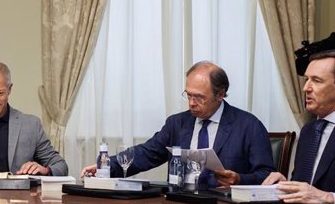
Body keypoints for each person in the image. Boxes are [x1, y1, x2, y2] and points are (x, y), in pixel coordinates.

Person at [81, 61, 274, 186]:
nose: (191, 103)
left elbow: (266, 174)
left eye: (199, 97)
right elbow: (147, 153)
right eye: (188, 95)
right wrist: (105, 166)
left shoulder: (249, 126)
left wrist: (239, 179)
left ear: (220, 94)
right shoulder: (178, 123)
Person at [263, 33, 335, 204]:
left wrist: (329, 197)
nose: (305, 88)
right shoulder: (310, 130)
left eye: (316, 81)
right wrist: (286, 185)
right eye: (306, 80)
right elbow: (307, 189)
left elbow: (317, 194)